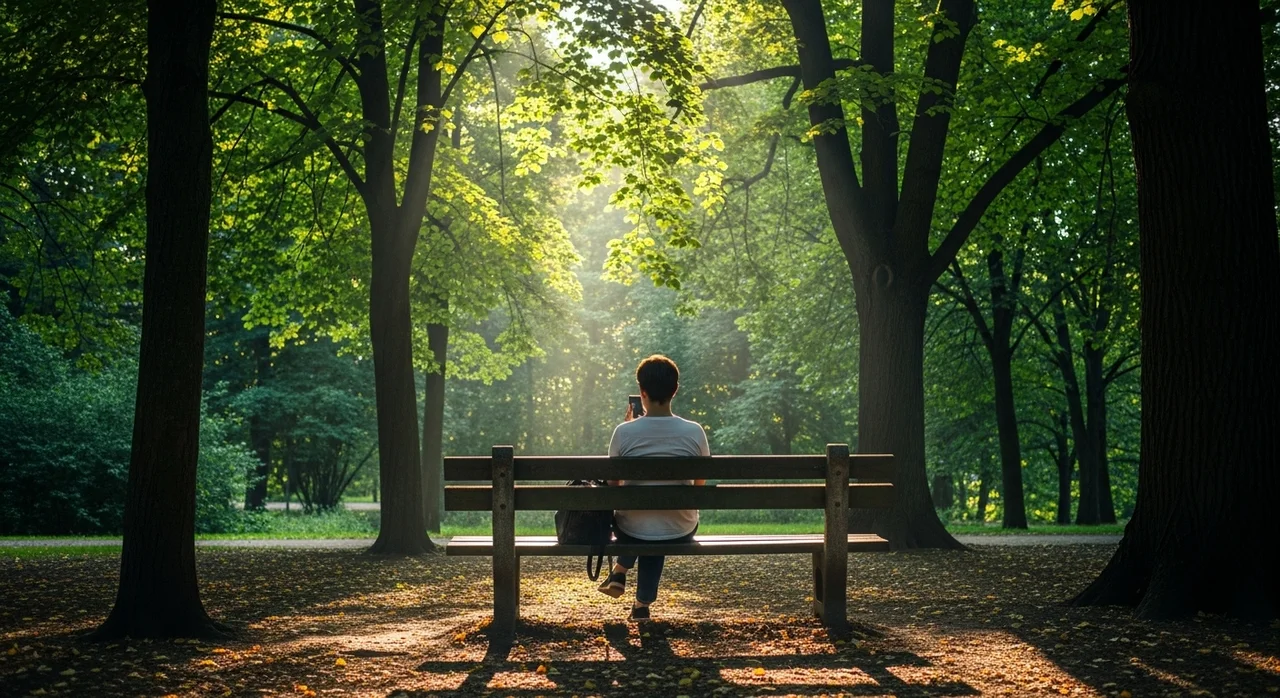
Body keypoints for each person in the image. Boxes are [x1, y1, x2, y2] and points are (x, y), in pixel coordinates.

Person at [597, 354, 709, 620]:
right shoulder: (695, 431)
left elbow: (613, 487)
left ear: (642, 392)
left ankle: (621, 574)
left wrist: (630, 429)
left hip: (631, 529)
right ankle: (641, 604)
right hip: (680, 528)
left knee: (641, 526)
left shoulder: (623, 432)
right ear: (675, 390)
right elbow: (699, 485)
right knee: (658, 528)